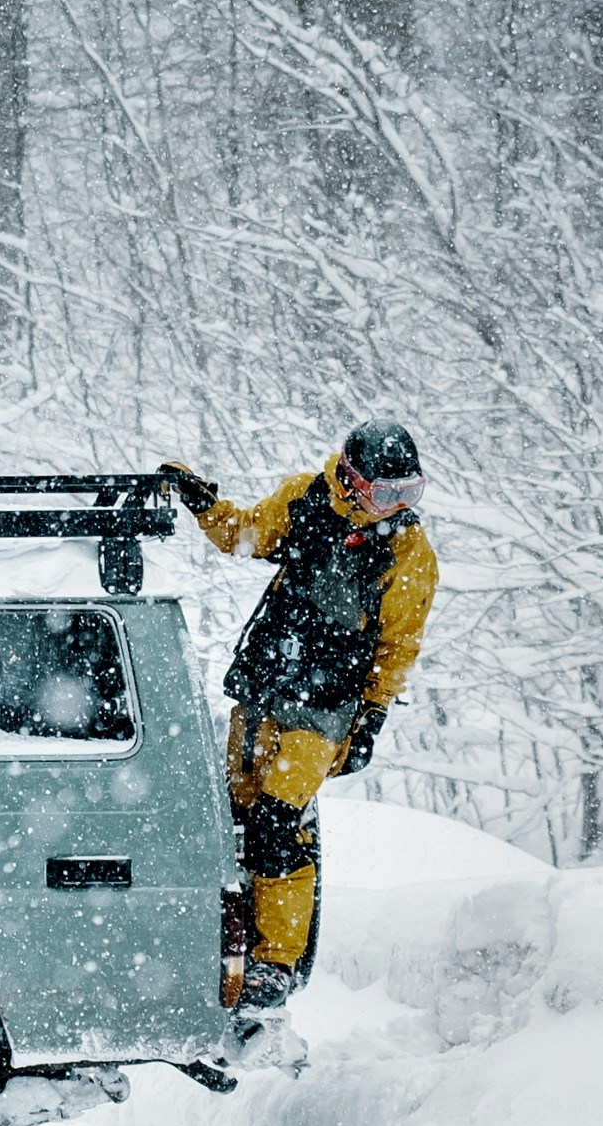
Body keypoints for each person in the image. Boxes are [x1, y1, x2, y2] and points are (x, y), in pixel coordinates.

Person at [157, 422, 438, 1019]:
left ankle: (276, 963)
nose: (396, 508)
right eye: (387, 493)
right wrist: (207, 506)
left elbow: (398, 645)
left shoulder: (407, 553)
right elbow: (246, 536)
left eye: (407, 494)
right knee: (234, 816)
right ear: (351, 475)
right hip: (265, 687)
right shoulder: (306, 499)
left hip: (326, 707)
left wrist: (372, 718)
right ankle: (225, 947)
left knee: (278, 826)